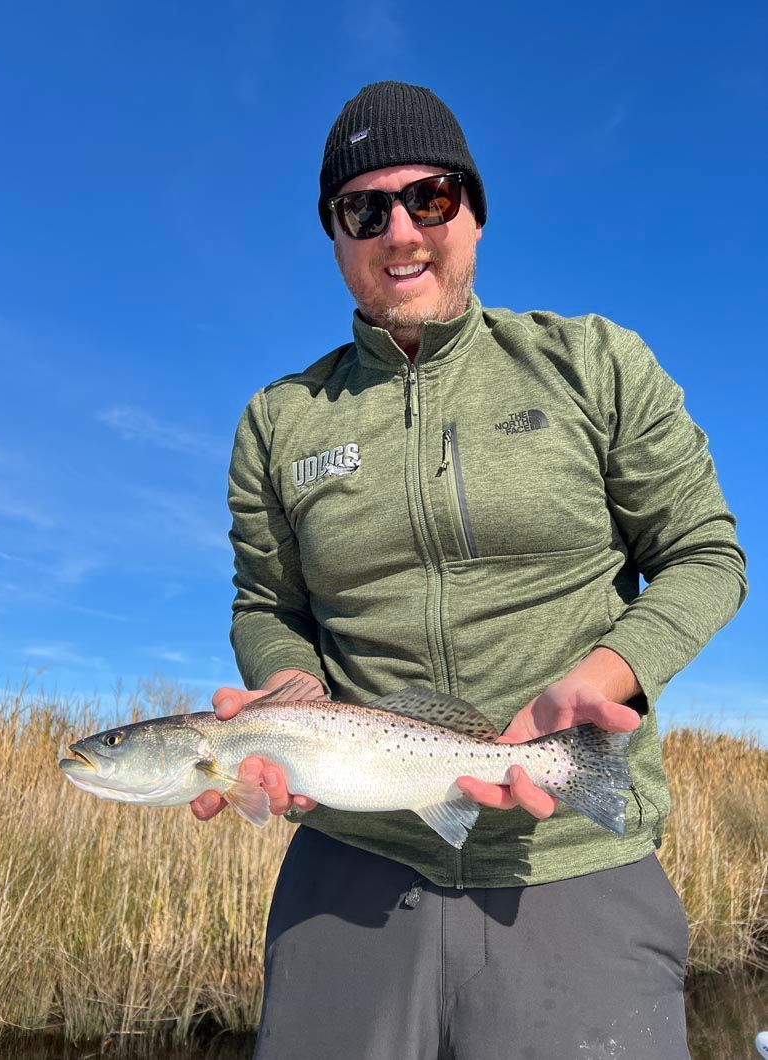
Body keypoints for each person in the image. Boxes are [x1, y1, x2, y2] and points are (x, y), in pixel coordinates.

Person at [191, 81, 747, 1059]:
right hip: (351, 858)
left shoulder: (594, 364)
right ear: (334, 235)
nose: (401, 231)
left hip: (571, 858)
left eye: (431, 198)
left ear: (475, 212)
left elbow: (706, 553)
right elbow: (267, 604)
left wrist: (609, 674)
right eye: (364, 210)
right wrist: (289, 689)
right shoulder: (279, 421)